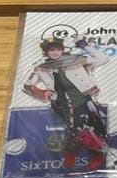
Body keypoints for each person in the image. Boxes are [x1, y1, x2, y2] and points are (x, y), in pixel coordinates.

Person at [24, 37, 110, 171]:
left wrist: (84, 45)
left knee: (90, 128)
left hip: (83, 99)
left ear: (62, 49)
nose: (55, 52)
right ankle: (80, 152)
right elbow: (27, 85)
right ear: (46, 52)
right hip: (61, 103)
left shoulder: (76, 61)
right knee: (76, 130)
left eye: (58, 49)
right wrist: (41, 92)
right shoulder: (42, 68)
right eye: (51, 50)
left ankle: (92, 154)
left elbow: (102, 58)